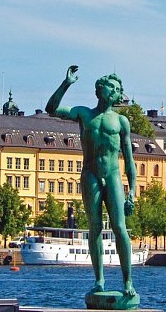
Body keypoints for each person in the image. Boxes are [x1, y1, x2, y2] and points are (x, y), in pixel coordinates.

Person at [46, 65, 137, 297]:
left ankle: (127, 283)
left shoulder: (121, 122)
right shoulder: (85, 114)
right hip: (90, 174)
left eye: (117, 89)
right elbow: (52, 109)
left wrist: (133, 190)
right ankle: (99, 280)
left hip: (113, 175)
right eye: (112, 87)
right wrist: (66, 83)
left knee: (119, 227)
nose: (115, 91)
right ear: (101, 90)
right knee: (94, 228)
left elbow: (129, 159)